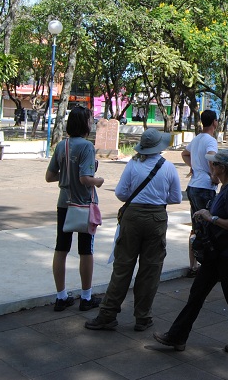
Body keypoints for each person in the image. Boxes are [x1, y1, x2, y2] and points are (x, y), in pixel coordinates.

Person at [153, 148, 228, 353]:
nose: (211, 166)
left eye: (214, 164)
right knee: (197, 293)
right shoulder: (226, 188)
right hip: (219, 253)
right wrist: (207, 213)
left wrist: (211, 218)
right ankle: (177, 336)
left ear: (222, 168)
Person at [84, 128, 181, 332]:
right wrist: (157, 198)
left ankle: (107, 314)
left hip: (132, 216)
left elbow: (121, 193)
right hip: (156, 219)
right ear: (159, 147)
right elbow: (176, 198)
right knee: (150, 269)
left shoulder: (133, 164)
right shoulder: (168, 167)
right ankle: (142, 317)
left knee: (122, 267)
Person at [45, 106, 104, 312]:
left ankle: (61, 296)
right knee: (86, 250)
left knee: (61, 248)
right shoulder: (87, 147)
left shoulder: (62, 145)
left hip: (64, 203)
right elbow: (85, 178)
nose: (92, 123)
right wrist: (98, 181)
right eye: (90, 120)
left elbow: (49, 176)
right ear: (85, 124)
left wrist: (65, 174)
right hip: (84, 204)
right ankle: (86, 297)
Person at [182, 109, 218, 277]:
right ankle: (209, 265)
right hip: (205, 187)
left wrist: (194, 166)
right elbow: (211, 157)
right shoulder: (211, 140)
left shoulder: (196, 138)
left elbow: (184, 153)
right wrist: (214, 175)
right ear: (214, 122)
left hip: (193, 186)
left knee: (196, 226)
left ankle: (193, 265)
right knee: (209, 226)